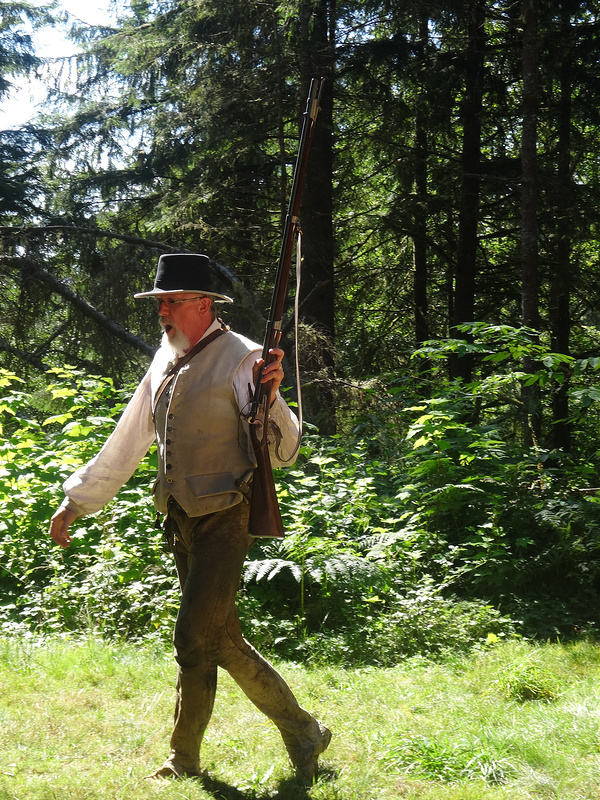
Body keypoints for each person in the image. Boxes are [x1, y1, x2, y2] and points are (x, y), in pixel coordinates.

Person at [48, 253, 331, 783]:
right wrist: (79, 498)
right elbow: (130, 436)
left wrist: (271, 398)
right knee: (215, 638)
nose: (163, 312)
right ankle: (226, 751)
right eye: (159, 303)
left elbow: (288, 450)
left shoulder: (245, 358)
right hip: (179, 517)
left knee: (194, 638)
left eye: (172, 301)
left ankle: (272, 738)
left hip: (225, 513)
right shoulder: (164, 359)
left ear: (203, 303)